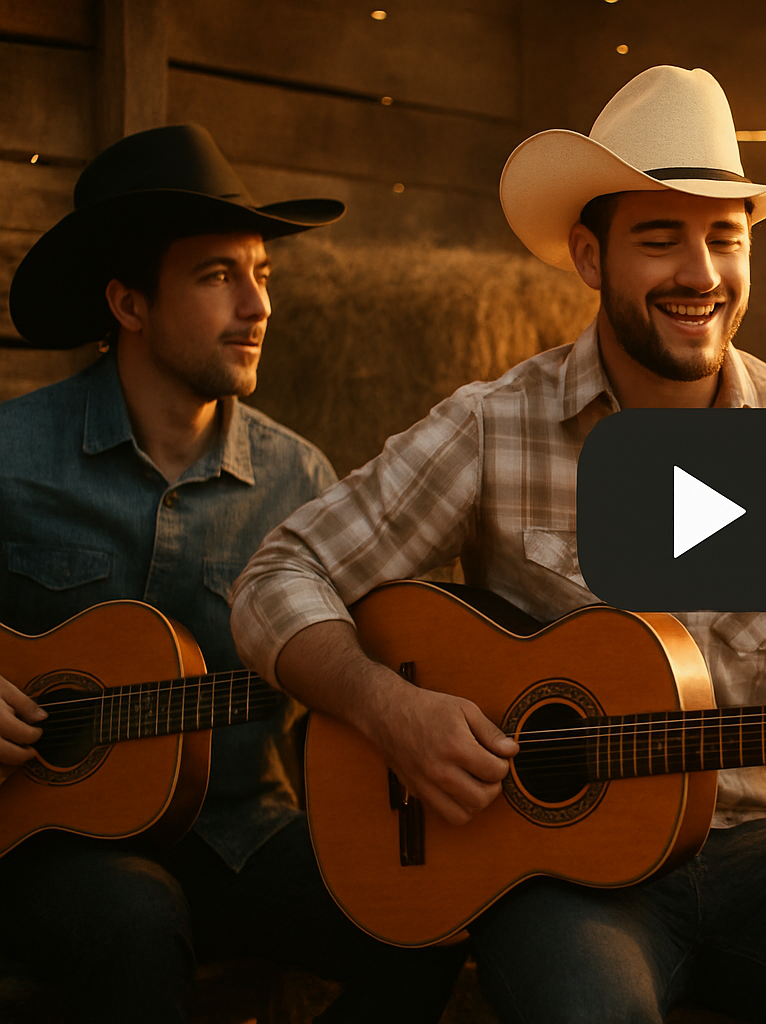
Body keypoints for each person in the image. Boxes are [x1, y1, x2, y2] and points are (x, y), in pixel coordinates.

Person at [231, 66, 766, 1023]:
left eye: (726, 238)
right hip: (560, 875)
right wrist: (389, 710)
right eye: (661, 239)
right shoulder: (494, 427)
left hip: (753, 852)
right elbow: (276, 577)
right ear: (591, 257)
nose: (701, 274)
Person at [0, 124, 464, 1023]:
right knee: (136, 914)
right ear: (129, 304)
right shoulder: (12, 458)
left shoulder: (300, 482)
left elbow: (371, 667)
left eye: (263, 274)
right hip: (51, 848)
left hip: (237, 833)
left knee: (426, 915)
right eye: (219, 276)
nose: (258, 307)